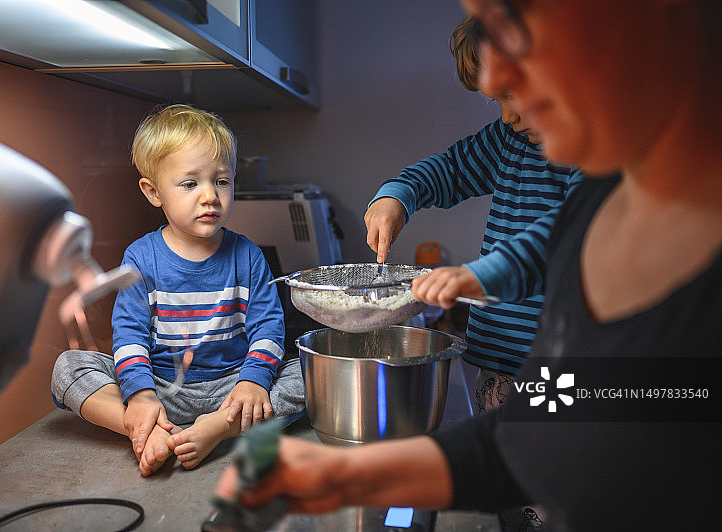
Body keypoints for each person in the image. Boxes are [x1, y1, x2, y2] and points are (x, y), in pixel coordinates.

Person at [214, 1, 722, 529]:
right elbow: (533, 436)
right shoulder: (596, 209)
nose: (502, 89)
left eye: (518, 39)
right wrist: (347, 475)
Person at [51, 104, 305, 476]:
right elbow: (129, 334)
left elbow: (268, 328)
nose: (210, 196)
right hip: (162, 389)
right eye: (190, 184)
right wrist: (140, 395)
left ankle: (218, 429)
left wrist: (253, 382)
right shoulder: (141, 256)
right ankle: (142, 426)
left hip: (232, 389)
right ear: (154, 192)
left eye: (221, 181)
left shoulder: (248, 255)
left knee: (311, 374)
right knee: (68, 367)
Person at [364, 16, 582, 416]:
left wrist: (481, 274)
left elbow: (572, 234)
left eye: (512, 94)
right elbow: (447, 169)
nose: (506, 116)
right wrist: (396, 197)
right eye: (495, 100)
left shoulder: (593, 154)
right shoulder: (510, 140)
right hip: (497, 360)